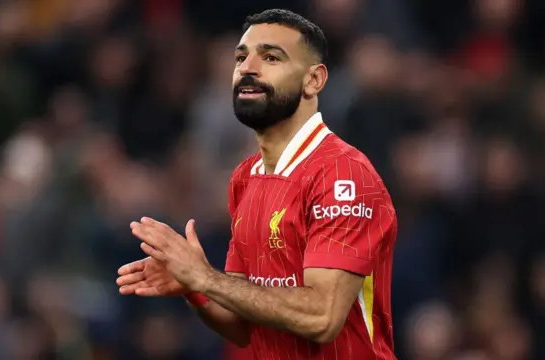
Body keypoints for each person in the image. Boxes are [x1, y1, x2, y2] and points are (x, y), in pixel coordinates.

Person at [116, 8, 398, 360]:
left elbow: (323, 317)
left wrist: (206, 278)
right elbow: (241, 324)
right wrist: (194, 288)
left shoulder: (343, 175)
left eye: (271, 57)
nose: (248, 68)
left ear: (314, 80)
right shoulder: (246, 178)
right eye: (241, 57)